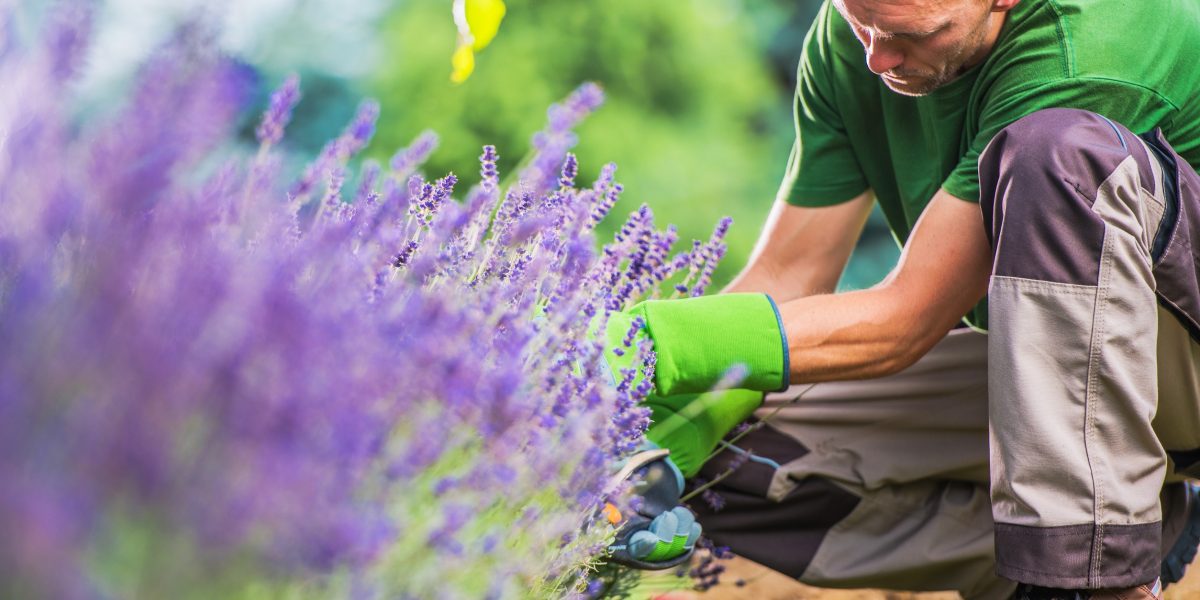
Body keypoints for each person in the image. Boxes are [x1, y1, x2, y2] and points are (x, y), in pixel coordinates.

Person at [607, 0, 1200, 598]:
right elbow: (788, 274)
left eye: (910, 35)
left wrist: (648, 340)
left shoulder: (1091, 48)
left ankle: (1092, 579)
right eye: (861, 22)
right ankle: (1140, 532)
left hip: (1182, 367)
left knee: (1060, 154)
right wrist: (657, 434)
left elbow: (906, 321)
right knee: (733, 457)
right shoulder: (857, 32)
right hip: (1069, 361)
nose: (875, 56)